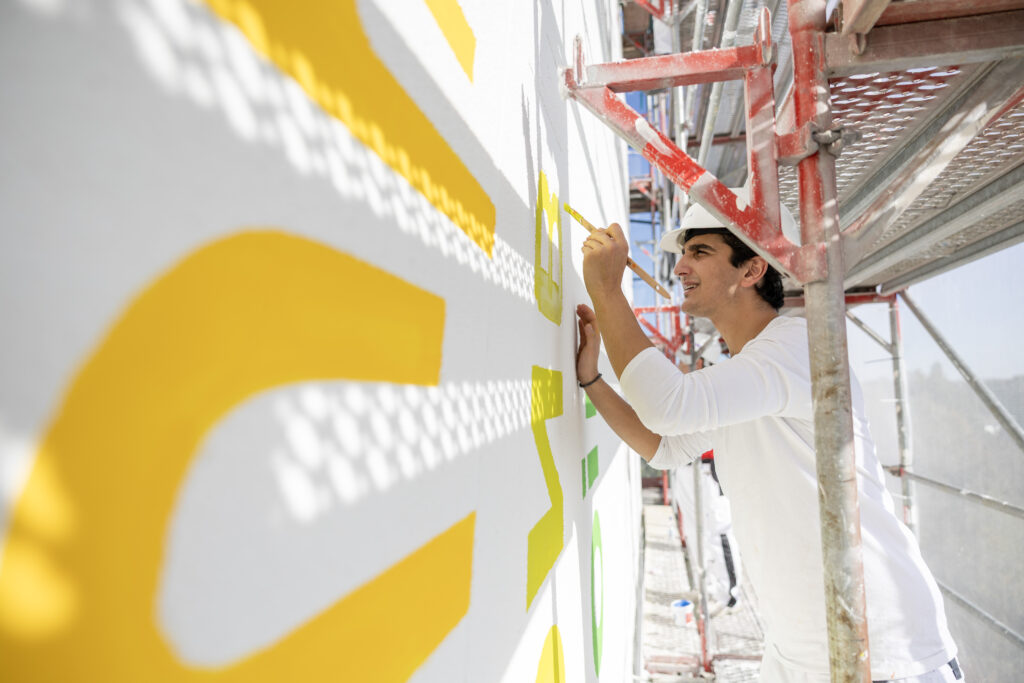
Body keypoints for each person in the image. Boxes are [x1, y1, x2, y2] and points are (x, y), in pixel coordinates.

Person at [574, 199, 961, 682]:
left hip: (884, 651)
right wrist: (592, 380)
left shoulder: (793, 349)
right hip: (803, 648)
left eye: (699, 252)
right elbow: (665, 446)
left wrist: (607, 289)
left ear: (752, 269)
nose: (680, 267)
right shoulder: (751, 372)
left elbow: (667, 405)